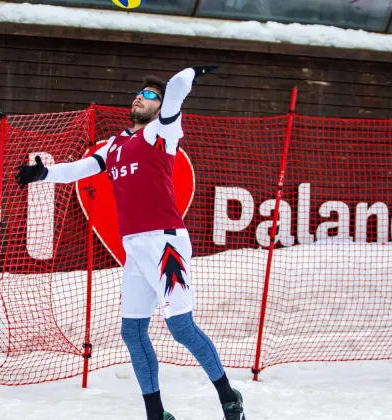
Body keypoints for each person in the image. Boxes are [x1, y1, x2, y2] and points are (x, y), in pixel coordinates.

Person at [15, 65, 246, 420]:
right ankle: (157, 415)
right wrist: (45, 173)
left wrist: (192, 72)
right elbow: (79, 169)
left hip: (165, 243)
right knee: (132, 331)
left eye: (151, 95)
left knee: (181, 328)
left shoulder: (162, 132)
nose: (141, 96)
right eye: (140, 93)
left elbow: (178, 86)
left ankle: (229, 398)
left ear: (161, 106)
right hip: (135, 248)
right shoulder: (114, 144)